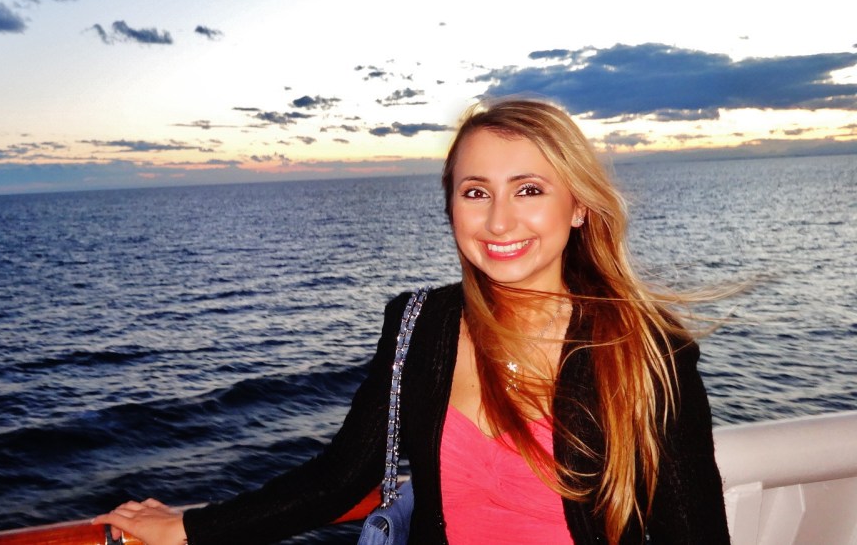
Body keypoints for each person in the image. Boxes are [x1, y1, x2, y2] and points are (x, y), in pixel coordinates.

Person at [94, 98, 730, 544]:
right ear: (451, 206)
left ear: (579, 207)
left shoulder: (645, 350)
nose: (499, 220)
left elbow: (693, 533)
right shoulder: (420, 324)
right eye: (475, 192)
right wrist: (188, 528)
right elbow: (340, 477)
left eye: (529, 189)